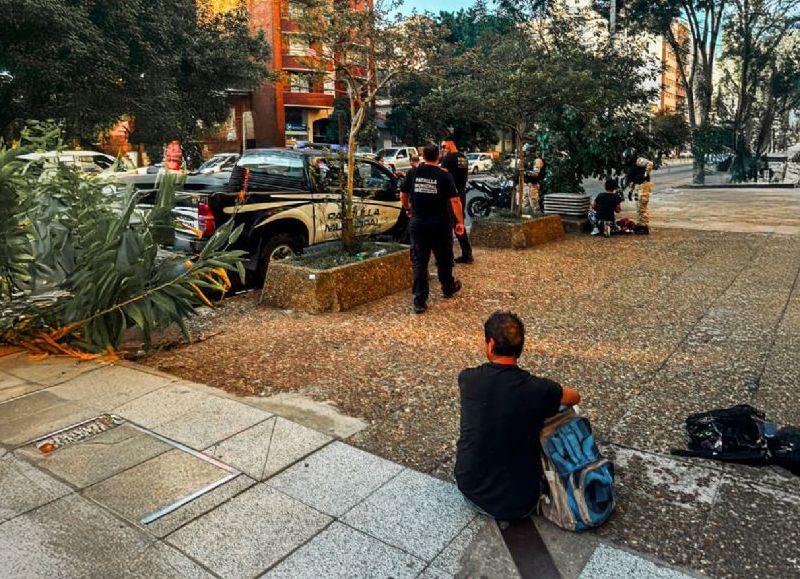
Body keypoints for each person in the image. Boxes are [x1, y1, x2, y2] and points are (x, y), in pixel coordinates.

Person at [455, 311, 581, 520]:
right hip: (523, 501)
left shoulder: (468, 379)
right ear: (521, 347)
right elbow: (575, 397)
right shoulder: (539, 388)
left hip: (472, 490)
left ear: (490, 344)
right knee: (562, 409)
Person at [401, 143, 464, 314]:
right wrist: (460, 222)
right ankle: (448, 288)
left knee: (420, 261)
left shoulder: (413, 173)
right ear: (438, 157)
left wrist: (407, 208)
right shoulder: (444, 176)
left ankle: (419, 301)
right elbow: (455, 200)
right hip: (441, 225)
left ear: (423, 156)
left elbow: (403, 194)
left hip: (418, 223)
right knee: (444, 258)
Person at [440, 139, 474, 264]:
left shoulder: (448, 159)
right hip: (461, 193)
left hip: (450, 195)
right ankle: (467, 253)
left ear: (451, 143)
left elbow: (442, 175)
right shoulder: (464, 158)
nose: (443, 148)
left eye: (444, 145)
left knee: (448, 225)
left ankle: (448, 258)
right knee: (459, 223)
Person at [622, 148, 653, 234]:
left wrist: (645, 174)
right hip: (638, 186)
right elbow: (632, 180)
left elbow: (650, 164)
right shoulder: (632, 165)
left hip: (643, 186)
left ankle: (644, 226)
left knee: (642, 207)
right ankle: (641, 225)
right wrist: (631, 191)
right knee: (639, 207)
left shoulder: (639, 161)